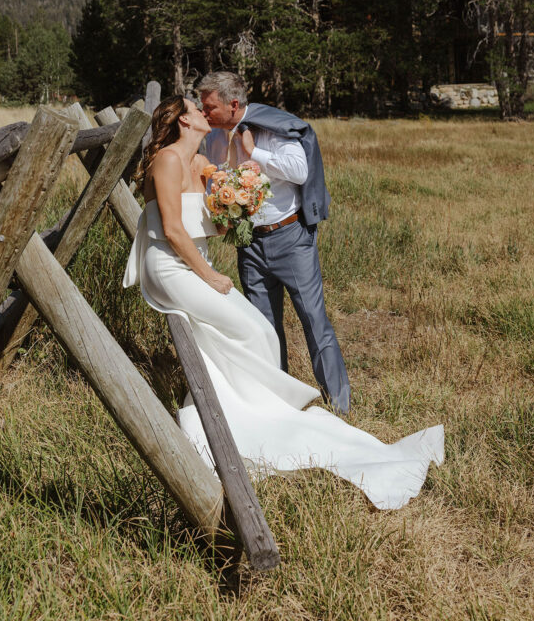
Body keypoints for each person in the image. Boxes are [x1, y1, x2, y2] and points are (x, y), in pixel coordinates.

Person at [123, 95, 444, 511]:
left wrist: (236, 199)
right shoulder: (167, 160)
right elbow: (171, 229)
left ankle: (258, 408)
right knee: (247, 329)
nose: (206, 113)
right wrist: (210, 275)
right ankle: (240, 420)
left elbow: (216, 228)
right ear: (185, 119)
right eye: (198, 109)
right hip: (169, 269)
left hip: (196, 265)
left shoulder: (200, 161)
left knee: (261, 330)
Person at [198, 71, 351, 413]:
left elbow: (299, 171)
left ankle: (339, 405)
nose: (204, 113)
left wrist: (256, 154)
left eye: (209, 107)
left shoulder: (271, 127)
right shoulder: (213, 139)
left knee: (313, 319)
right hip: (248, 244)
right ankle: (280, 404)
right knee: (264, 327)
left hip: (290, 238)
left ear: (233, 104)